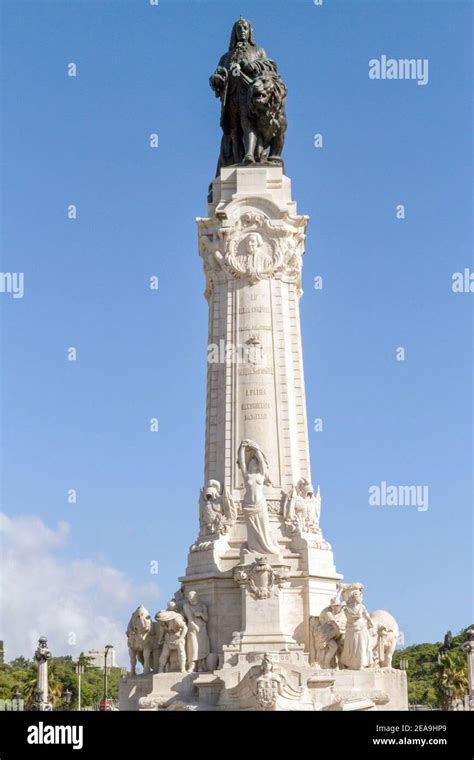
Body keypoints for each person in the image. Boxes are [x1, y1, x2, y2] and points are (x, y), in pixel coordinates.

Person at [238, 439, 279, 555]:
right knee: (252, 532)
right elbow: (242, 462)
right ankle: (253, 549)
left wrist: (256, 449)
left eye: (255, 462)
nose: (253, 462)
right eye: (252, 461)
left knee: (264, 527)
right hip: (249, 506)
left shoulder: (260, 475)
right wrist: (242, 448)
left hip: (259, 504)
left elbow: (262, 462)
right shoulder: (247, 476)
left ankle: (266, 547)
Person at [340, 589, 374, 670]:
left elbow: (367, 615)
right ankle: (351, 665)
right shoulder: (347, 608)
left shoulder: (362, 606)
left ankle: (361, 664)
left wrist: (370, 622)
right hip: (351, 630)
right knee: (351, 648)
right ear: (354, 597)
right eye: (359, 596)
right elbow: (348, 617)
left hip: (361, 628)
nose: (361, 598)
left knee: (361, 647)